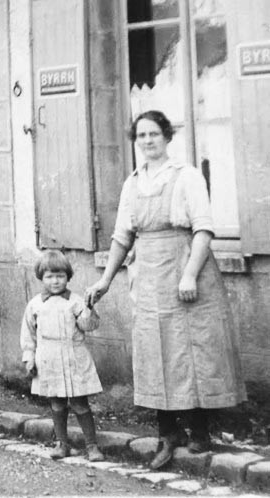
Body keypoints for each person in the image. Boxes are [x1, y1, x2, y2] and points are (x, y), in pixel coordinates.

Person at [85, 110, 246, 470]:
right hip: (149, 276)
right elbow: (122, 237)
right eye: (141, 135)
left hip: (187, 269)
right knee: (155, 350)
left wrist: (189, 274)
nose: (147, 141)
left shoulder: (186, 176)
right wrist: (105, 280)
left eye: (153, 134)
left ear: (167, 137)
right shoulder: (132, 183)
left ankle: (201, 430)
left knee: (194, 349)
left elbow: (203, 230)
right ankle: (168, 432)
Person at [21, 250, 105, 462]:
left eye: (60, 276)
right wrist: (29, 357)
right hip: (48, 359)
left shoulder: (76, 301)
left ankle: (92, 446)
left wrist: (89, 307)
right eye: (49, 276)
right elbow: (29, 335)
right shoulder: (35, 305)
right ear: (41, 278)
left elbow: (89, 325)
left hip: (73, 357)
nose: (55, 281)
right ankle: (62, 443)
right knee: (57, 404)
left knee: (79, 404)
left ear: (68, 276)